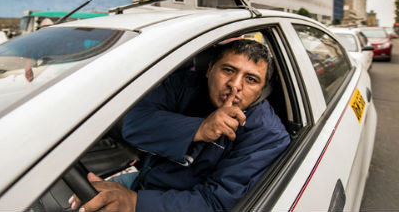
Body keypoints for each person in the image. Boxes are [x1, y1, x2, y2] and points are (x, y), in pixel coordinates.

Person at [69, 39, 291, 212]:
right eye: (228, 70)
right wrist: (199, 129)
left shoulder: (268, 134)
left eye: (251, 79)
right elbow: (133, 125)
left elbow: (215, 203)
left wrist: (134, 203)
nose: (235, 85)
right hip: (144, 180)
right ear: (209, 69)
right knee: (80, 198)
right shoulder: (184, 85)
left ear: (261, 91)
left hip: (172, 204)